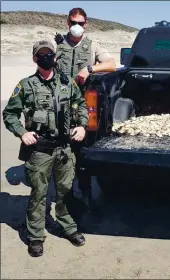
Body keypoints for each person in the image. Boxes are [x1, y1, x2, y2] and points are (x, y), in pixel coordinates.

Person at [2, 39, 89, 257]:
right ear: (35, 59)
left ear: (55, 56)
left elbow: (80, 104)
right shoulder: (26, 85)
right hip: (40, 150)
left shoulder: (67, 83)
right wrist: (23, 133)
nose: (46, 57)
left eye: (49, 53)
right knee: (39, 194)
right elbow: (9, 114)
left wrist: (82, 126)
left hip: (64, 149)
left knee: (65, 191)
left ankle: (68, 227)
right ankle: (35, 236)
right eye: (41, 54)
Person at [54, 7, 117, 198]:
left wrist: (90, 68)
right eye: (73, 22)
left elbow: (112, 64)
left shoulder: (92, 45)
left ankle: (85, 190)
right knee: (58, 147)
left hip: (81, 105)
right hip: (59, 104)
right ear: (67, 23)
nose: (76, 27)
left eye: (80, 23)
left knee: (83, 148)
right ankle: (64, 191)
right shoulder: (57, 43)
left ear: (85, 24)